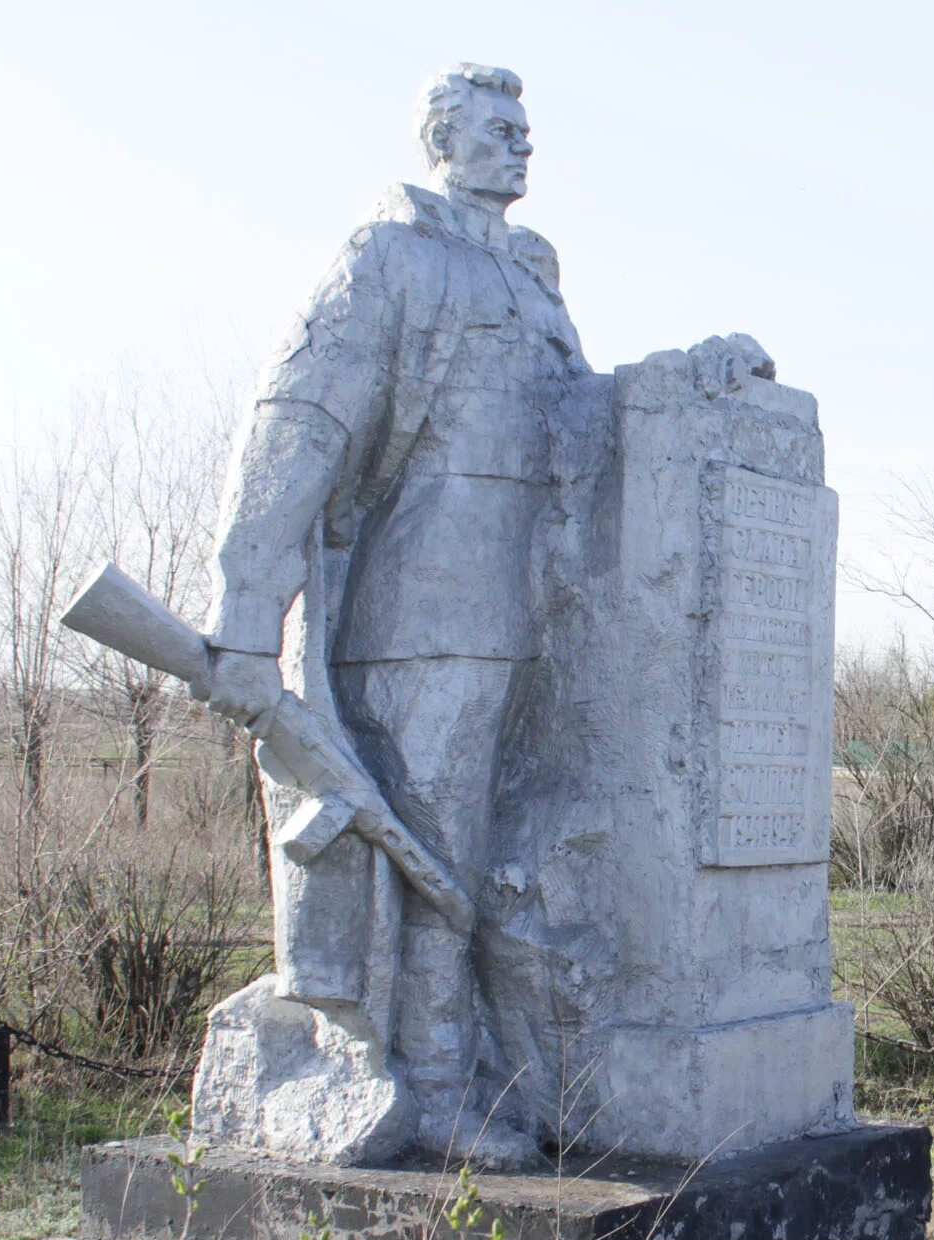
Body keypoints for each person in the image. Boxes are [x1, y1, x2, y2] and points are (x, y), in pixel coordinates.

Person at [197, 64, 581, 1165]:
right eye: (499, 130)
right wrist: (245, 610)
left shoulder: (531, 279)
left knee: (473, 853)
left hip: (524, 617)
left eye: (525, 131)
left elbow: (584, 422)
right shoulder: (392, 259)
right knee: (428, 853)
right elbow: (301, 418)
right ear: (441, 140)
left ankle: (480, 1071)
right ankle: (431, 1087)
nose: (520, 147)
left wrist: (692, 383)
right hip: (416, 613)